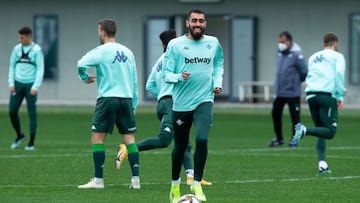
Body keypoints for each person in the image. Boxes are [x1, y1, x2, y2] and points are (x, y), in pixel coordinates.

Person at [115, 29, 212, 186]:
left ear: (162, 44)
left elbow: (149, 85)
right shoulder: (178, 57)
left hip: (163, 103)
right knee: (164, 140)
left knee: (183, 140)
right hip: (172, 104)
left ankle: (190, 176)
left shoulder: (159, 61)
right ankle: (128, 149)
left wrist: (162, 95)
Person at [162, 8, 224, 203]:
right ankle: (174, 185)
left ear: (205, 24)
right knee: (180, 147)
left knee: (202, 139)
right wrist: (179, 77)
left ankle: (196, 183)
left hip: (204, 100)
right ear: (187, 23)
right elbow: (166, 74)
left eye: (201, 21)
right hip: (181, 104)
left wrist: (217, 82)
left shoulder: (213, 43)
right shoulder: (175, 45)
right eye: (194, 21)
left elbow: (218, 63)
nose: (198, 24)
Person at [77, 18, 140, 189]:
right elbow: (134, 81)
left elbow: (81, 64)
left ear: (103, 32)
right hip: (126, 99)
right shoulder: (128, 52)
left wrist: (84, 77)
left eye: (99, 31)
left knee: (97, 137)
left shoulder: (101, 51)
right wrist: (133, 104)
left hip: (108, 99)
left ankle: (98, 180)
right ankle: (136, 181)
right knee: (129, 138)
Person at [291, 32, 346, 174]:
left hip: (311, 95)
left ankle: (322, 164)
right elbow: (339, 74)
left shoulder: (314, 57)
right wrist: (340, 95)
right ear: (335, 44)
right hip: (326, 95)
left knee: (320, 129)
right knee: (330, 131)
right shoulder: (337, 56)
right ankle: (304, 130)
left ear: (324, 44)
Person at [268, 31, 308, 148]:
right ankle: (279, 138)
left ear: (289, 42)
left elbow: (304, 71)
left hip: (292, 92)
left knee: (295, 118)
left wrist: (294, 82)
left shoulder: (297, 54)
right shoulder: (279, 53)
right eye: (279, 42)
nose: (280, 44)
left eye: (283, 42)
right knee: (275, 113)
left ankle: (294, 140)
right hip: (280, 92)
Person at [8, 27, 44, 150]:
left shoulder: (37, 50)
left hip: (30, 86)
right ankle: (19, 136)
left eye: (22, 37)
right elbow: (12, 66)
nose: (20, 39)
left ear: (29, 36)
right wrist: (11, 83)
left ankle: (31, 142)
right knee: (12, 111)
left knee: (31, 114)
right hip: (17, 84)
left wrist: (35, 86)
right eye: (19, 37)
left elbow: (40, 69)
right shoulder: (17, 49)